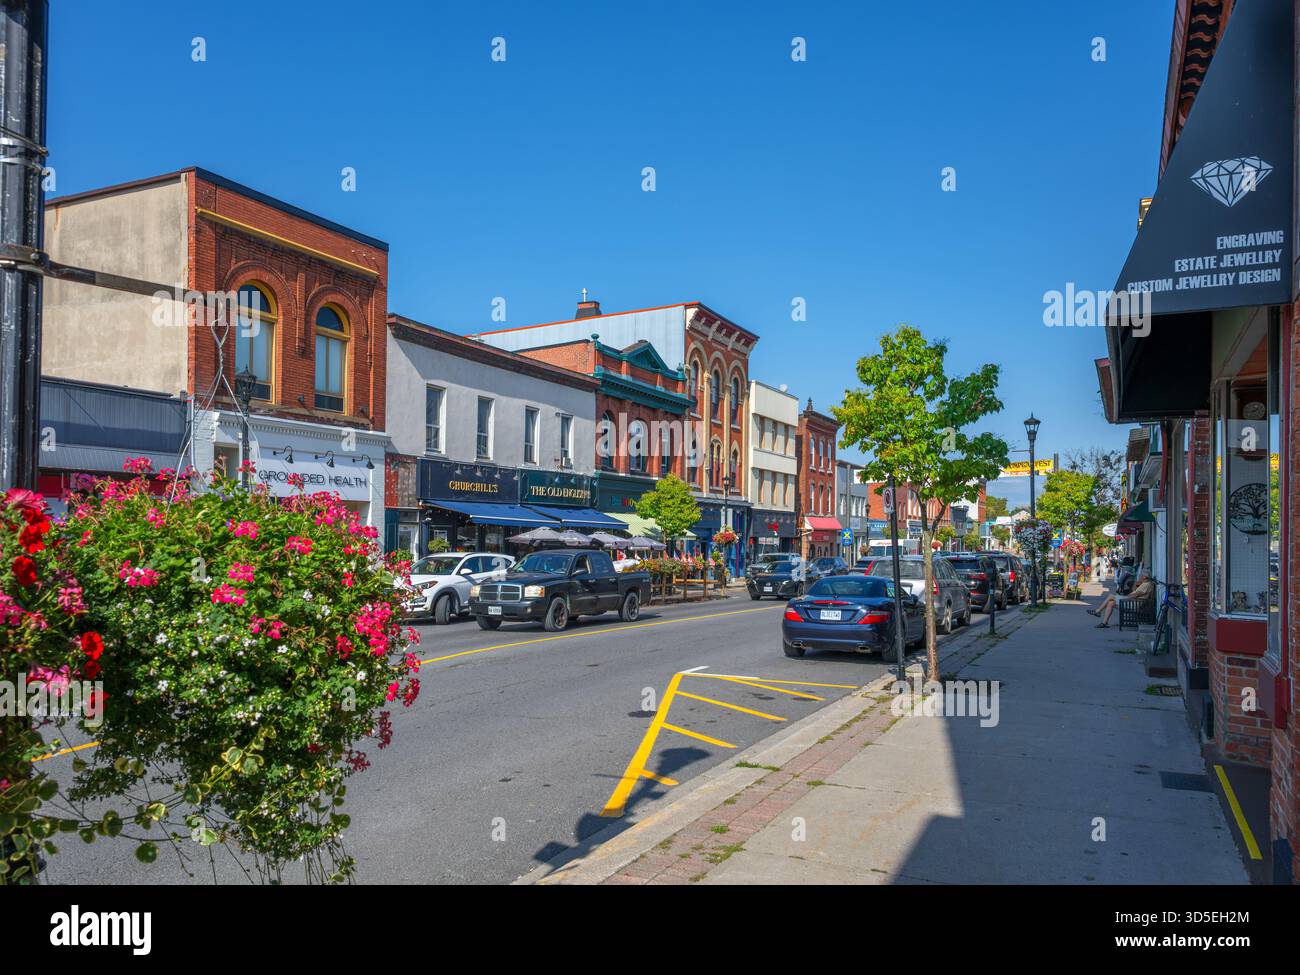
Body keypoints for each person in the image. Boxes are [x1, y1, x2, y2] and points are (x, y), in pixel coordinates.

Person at [1089, 569, 1153, 627]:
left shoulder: (1147, 585)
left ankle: (1098, 611)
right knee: (1111, 603)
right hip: (1131, 602)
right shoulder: (1143, 583)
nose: (1139, 576)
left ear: (1144, 577)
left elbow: (1135, 595)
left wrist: (1126, 597)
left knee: (1111, 596)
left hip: (1133, 603)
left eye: (1140, 575)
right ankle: (1104, 623)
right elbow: (1133, 591)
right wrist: (1136, 584)